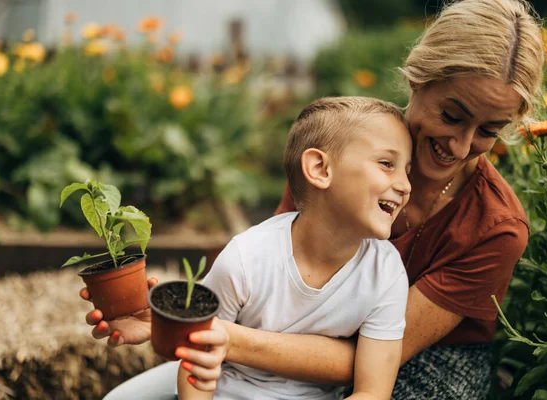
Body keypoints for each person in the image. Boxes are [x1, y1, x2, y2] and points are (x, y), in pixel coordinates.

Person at [83, 0, 545, 398]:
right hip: (288, 346)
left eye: (488, 131)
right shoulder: (341, 154)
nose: (461, 147)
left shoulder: (495, 227)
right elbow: (276, 287)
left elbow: (371, 364)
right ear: (418, 80)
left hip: (422, 364)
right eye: (451, 115)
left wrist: (212, 333)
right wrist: (171, 322)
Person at [86, 96, 413, 400]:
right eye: (387, 164)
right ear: (320, 169)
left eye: (407, 170)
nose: (405, 185)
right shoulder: (246, 258)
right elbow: (196, 353)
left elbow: (371, 391)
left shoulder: (386, 274)